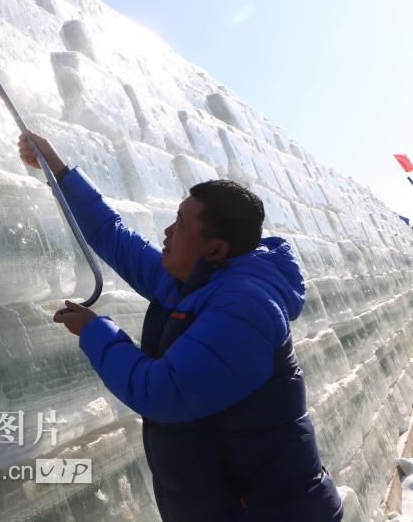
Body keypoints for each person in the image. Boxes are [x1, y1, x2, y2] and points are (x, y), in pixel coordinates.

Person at [18, 131, 343, 521]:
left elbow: (163, 391)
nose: (168, 233)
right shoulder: (193, 280)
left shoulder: (246, 307)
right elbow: (113, 236)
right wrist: (57, 168)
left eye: (180, 224)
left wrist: (94, 330)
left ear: (215, 249)